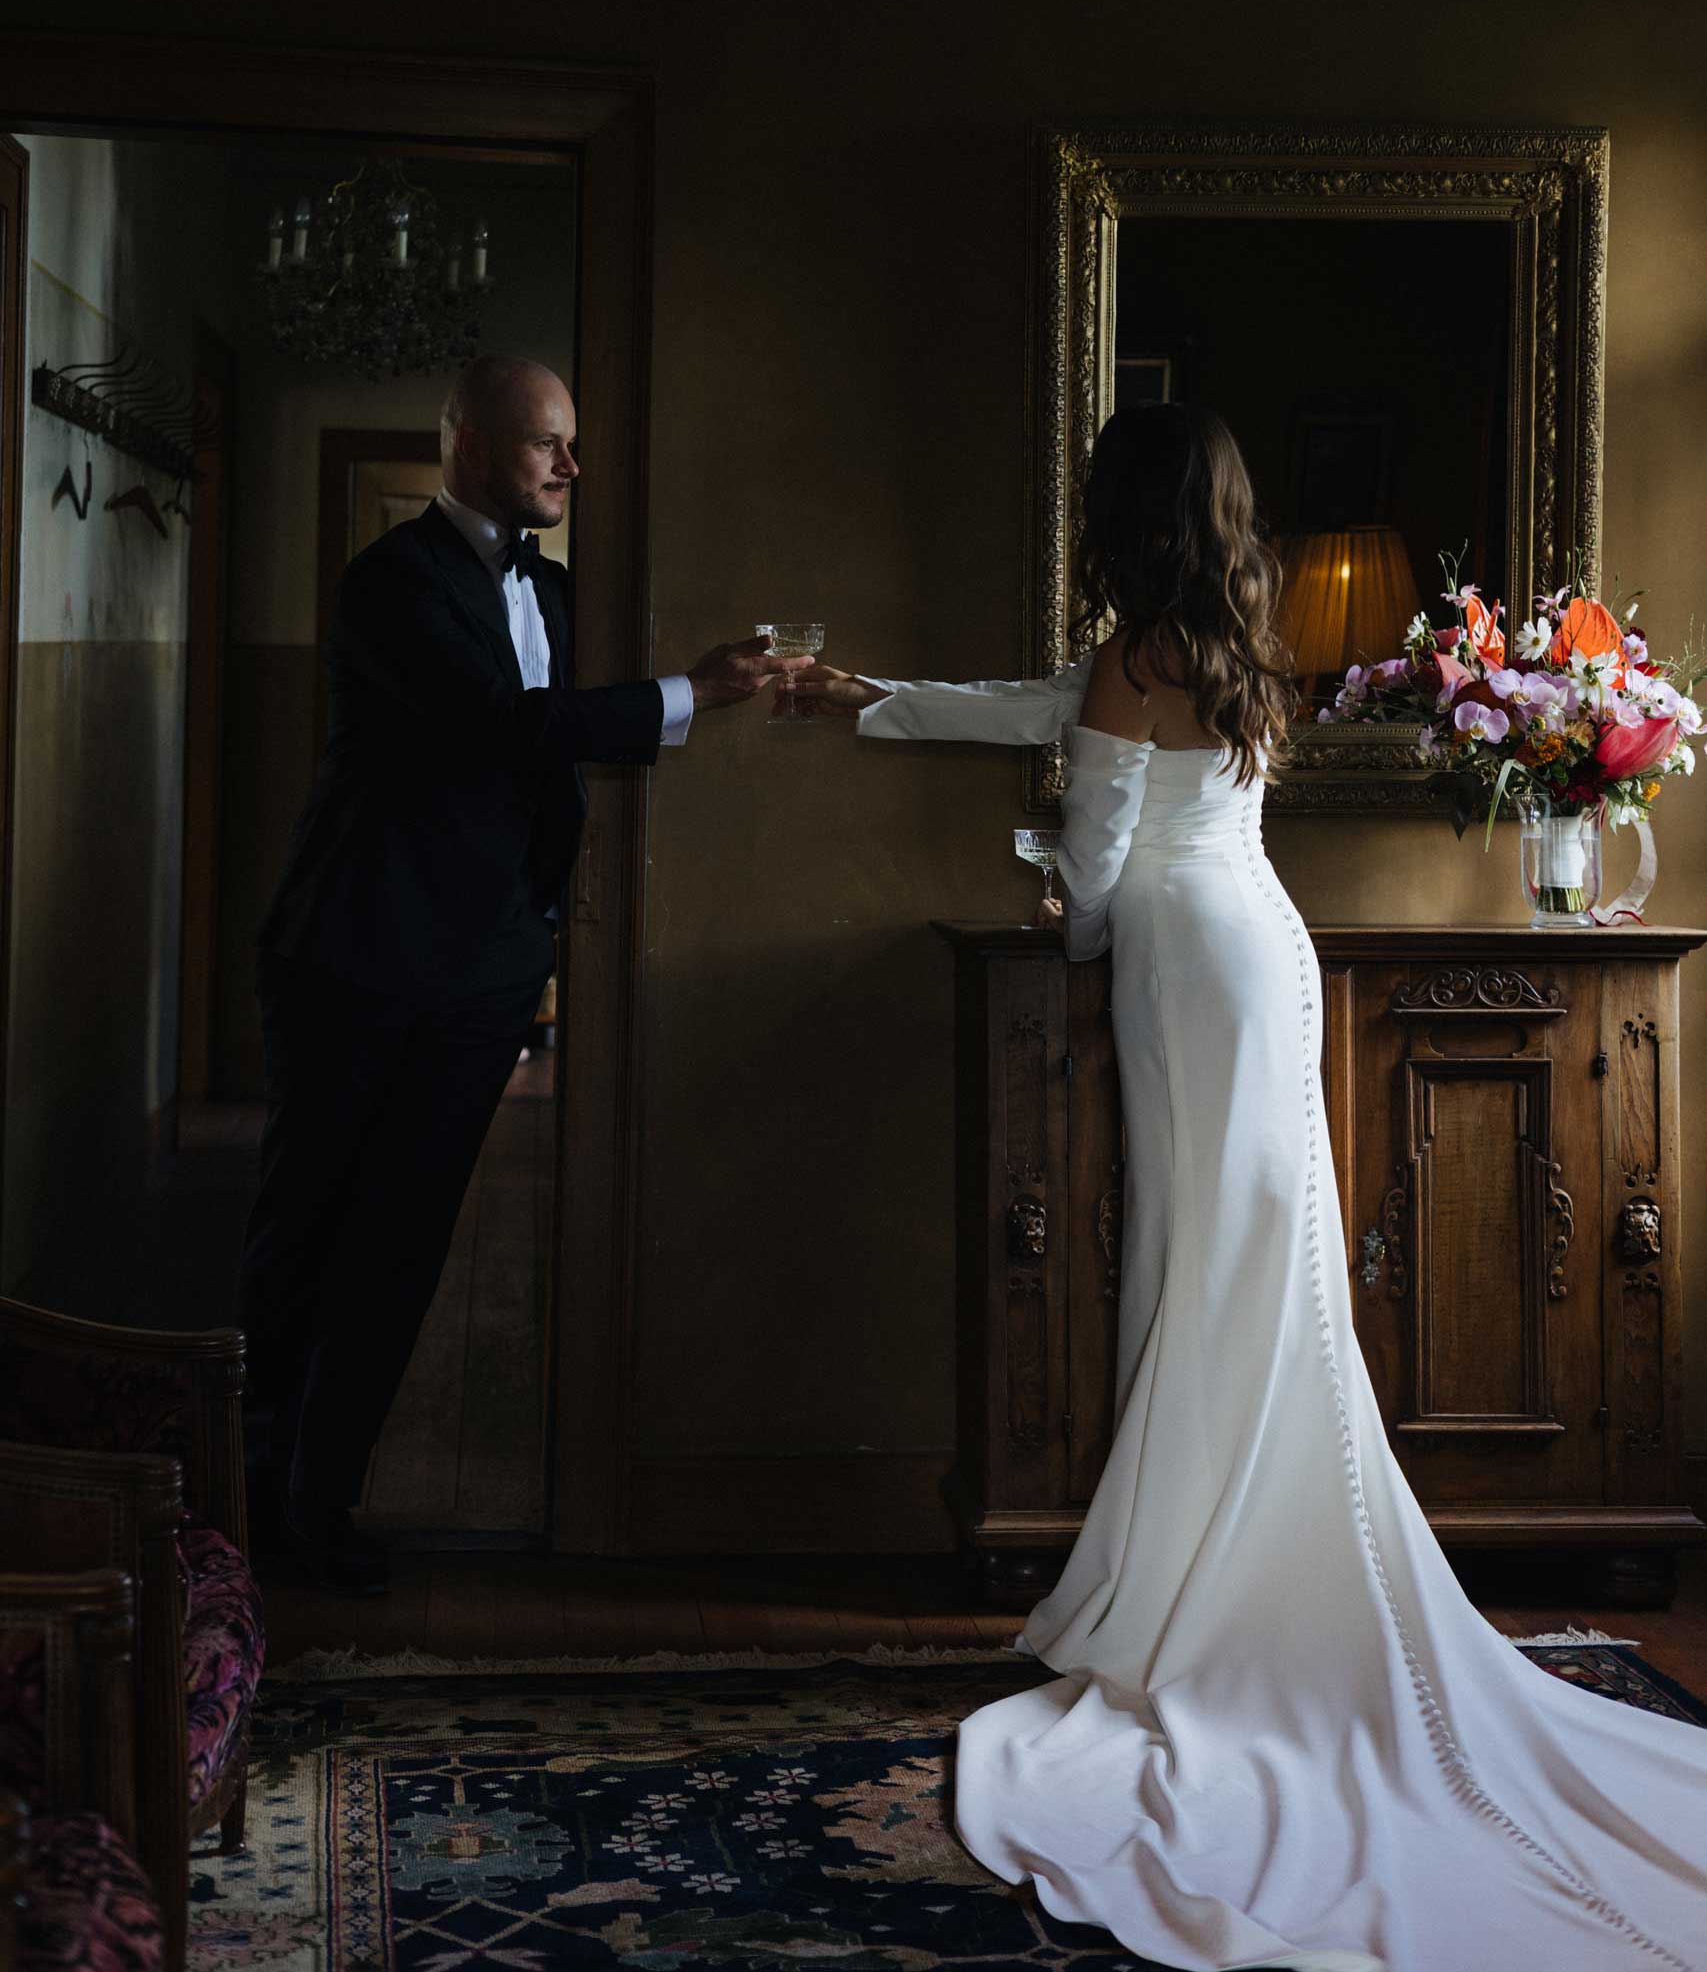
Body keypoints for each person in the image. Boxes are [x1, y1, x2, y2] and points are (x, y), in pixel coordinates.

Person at [794, 400, 1707, 1972]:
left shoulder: (1125, 656)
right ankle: (1238, 1572)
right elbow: (1043, 714)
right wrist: (862, 697)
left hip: (1181, 976)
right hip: (1261, 955)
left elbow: (1086, 868)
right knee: (1253, 1274)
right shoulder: (1219, 650)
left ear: (1122, 516)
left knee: (1206, 1277)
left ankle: (1204, 1604)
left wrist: (1068, 920)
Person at [241, 353, 803, 1592]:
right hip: (353, 959)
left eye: (572, 443)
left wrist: (536, 926)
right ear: (473, 445)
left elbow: (538, 764)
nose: (572, 464)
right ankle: (240, 1511)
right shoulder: (387, 585)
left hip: (480, 973)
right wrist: (686, 690)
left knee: (405, 1243)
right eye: (550, 442)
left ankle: (322, 1507)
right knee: (307, 1233)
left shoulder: (543, 586)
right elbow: (503, 730)